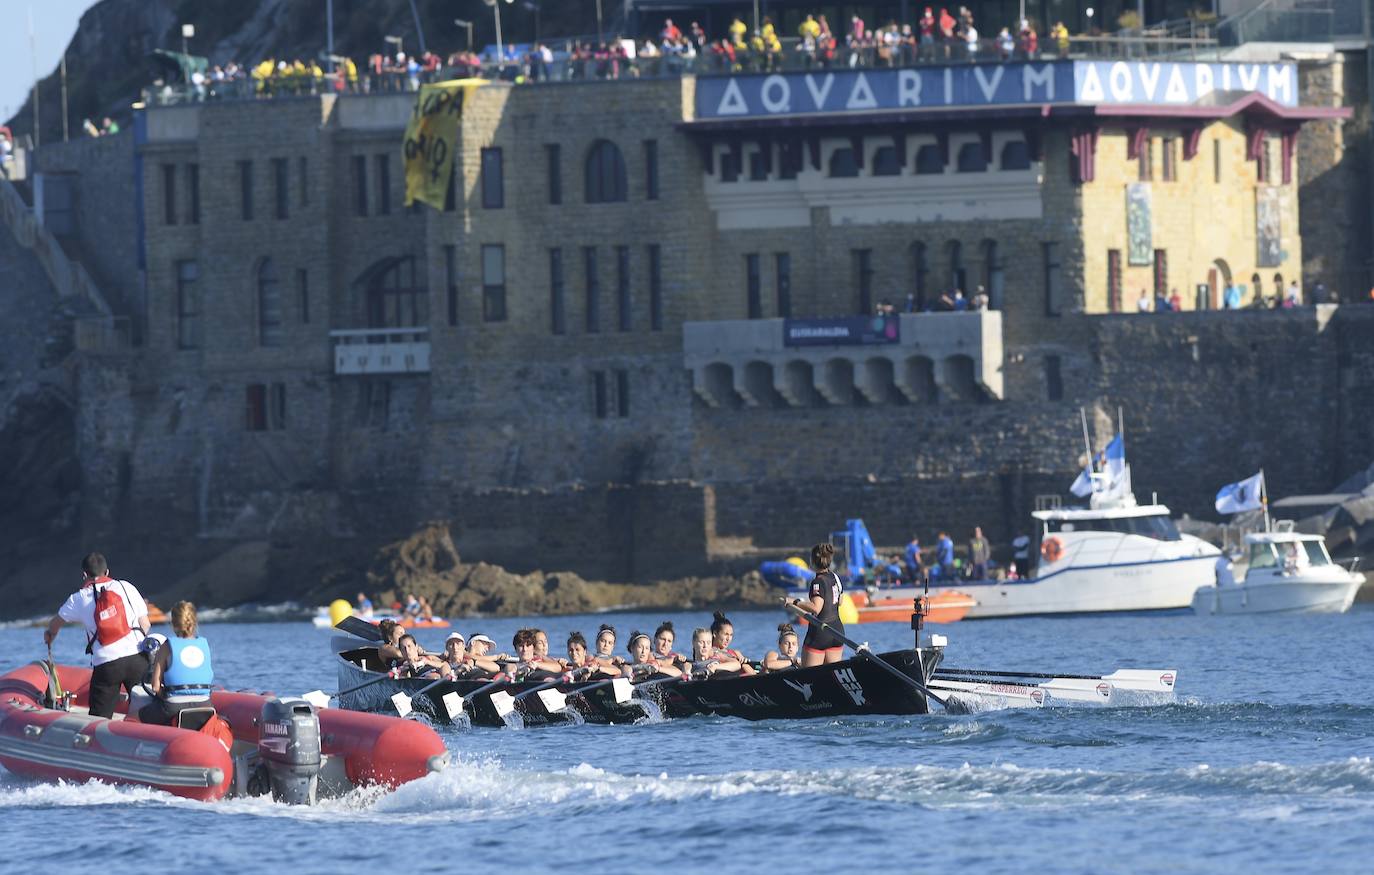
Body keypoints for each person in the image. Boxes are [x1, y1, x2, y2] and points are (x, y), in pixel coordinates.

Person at [44, 552, 151, 719]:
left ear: (84, 575)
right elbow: (146, 624)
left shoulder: (78, 598)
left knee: (99, 719)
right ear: (107, 572)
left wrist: (50, 635)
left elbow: (56, 623)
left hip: (107, 665)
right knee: (148, 710)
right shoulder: (125, 586)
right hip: (137, 658)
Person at [139, 601, 213, 725]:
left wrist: (164, 698)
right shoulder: (204, 645)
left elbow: (155, 687)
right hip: (205, 704)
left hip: (173, 707)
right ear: (194, 622)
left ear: (173, 624)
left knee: (138, 713)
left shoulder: (167, 646)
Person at [789, 542, 846, 667]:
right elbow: (840, 601)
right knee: (832, 676)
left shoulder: (817, 582)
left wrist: (795, 602)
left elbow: (816, 608)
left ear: (813, 561)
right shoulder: (835, 577)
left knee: (809, 677)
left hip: (820, 633)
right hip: (837, 632)